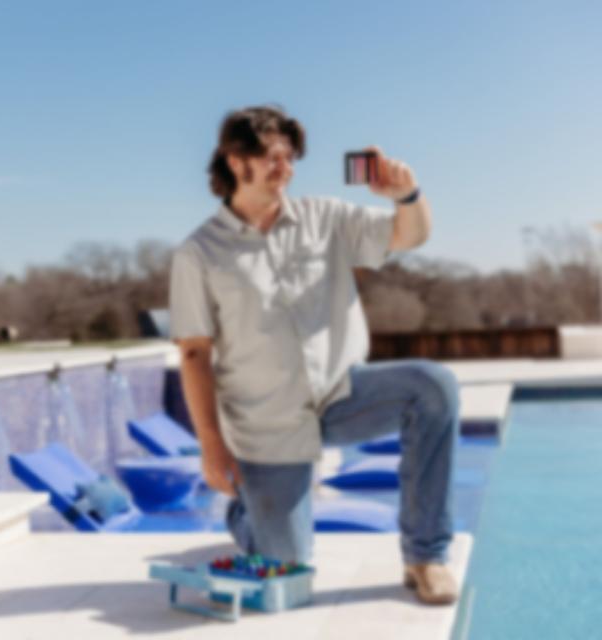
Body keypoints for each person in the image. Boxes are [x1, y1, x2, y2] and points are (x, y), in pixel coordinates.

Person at [169, 105, 460, 605]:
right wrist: (212, 447)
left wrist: (406, 196)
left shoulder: (327, 218)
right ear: (236, 162)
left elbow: (410, 234)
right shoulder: (198, 253)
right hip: (268, 424)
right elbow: (195, 354)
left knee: (433, 387)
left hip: (341, 395)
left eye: (290, 157)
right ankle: (249, 512)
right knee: (289, 581)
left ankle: (426, 556)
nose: (285, 167)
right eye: (272, 157)